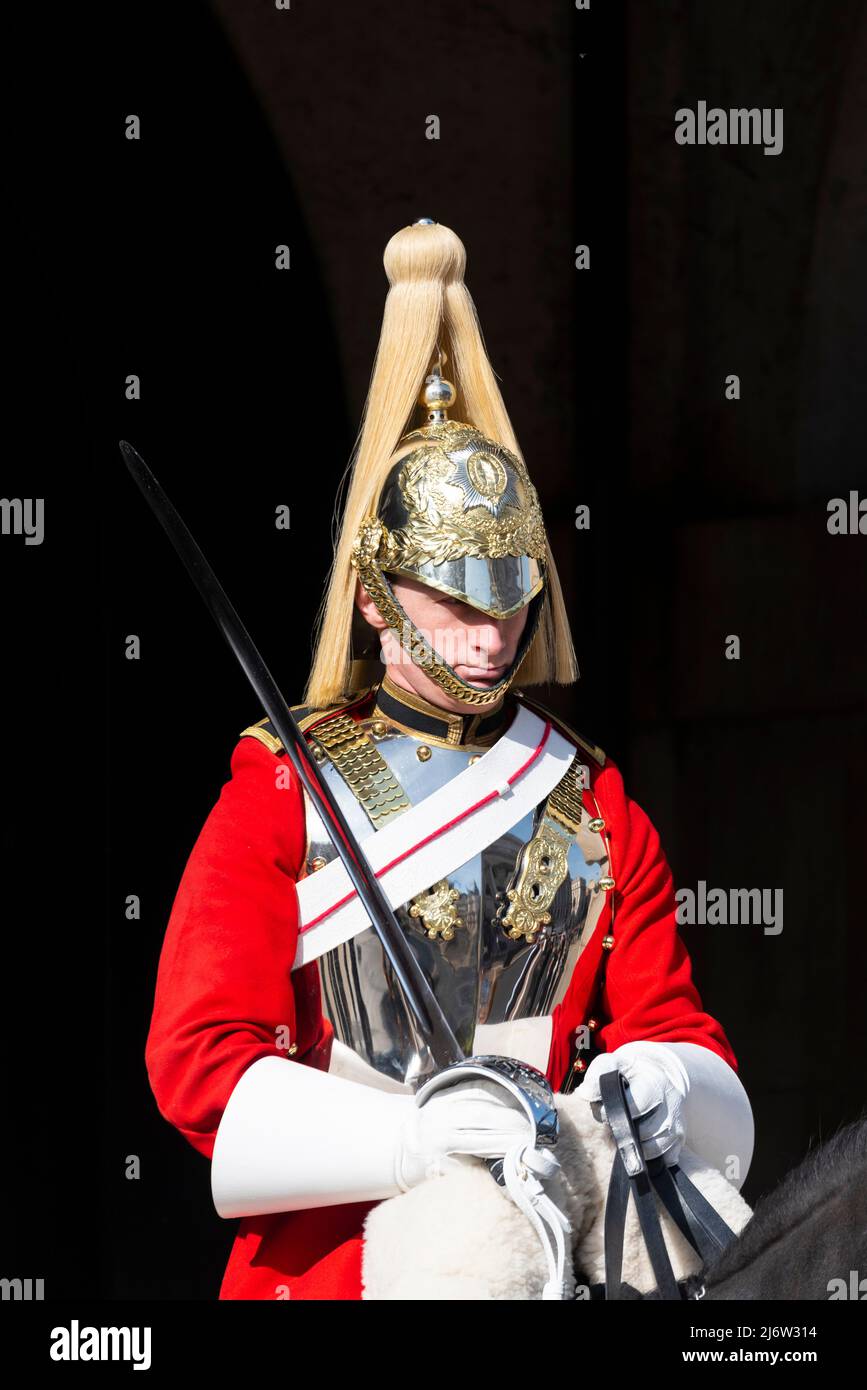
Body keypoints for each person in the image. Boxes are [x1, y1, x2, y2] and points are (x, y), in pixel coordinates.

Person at [144, 219, 754, 1301]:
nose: (488, 638)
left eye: (508, 598)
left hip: (553, 1249)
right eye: (453, 603)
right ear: (377, 599)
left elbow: (673, 1026)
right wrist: (407, 1141)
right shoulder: (287, 784)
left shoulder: (592, 797)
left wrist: (664, 1078)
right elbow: (201, 1062)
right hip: (341, 1265)